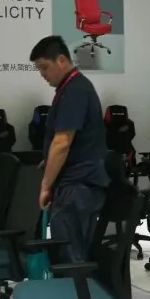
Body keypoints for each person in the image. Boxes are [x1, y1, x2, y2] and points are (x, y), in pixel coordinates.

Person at [30, 36, 110, 264]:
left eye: (44, 67)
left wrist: (45, 185)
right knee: (69, 252)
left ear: (61, 60)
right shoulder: (70, 88)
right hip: (76, 183)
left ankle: (76, 288)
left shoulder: (76, 90)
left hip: (78, 187)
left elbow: (62, 143)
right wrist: (48, 162)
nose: (42, 74)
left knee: (71, 257)